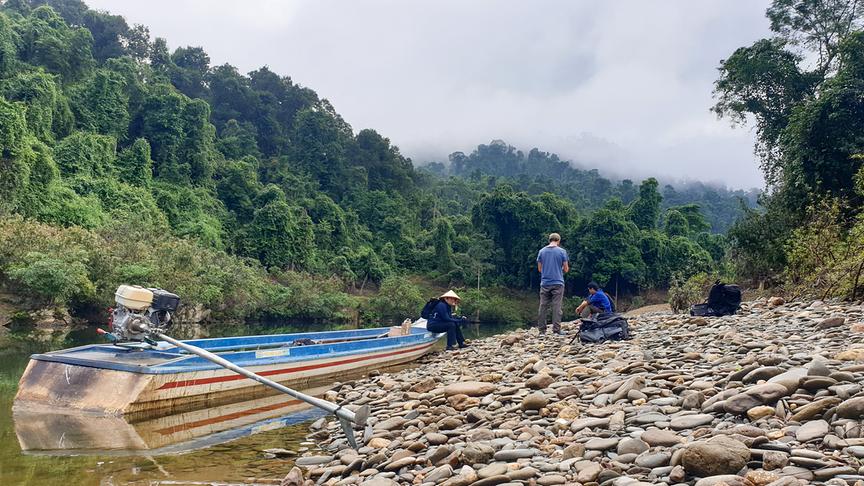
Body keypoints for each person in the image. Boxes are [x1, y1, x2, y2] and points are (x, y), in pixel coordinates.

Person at [537, 233, 569, 335]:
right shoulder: (562, 252)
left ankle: (542, 330)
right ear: (558, 241)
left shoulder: (541, 251)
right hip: (558, 282)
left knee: (543, 306)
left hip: (545, 282)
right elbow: (566, 269)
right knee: (556, 306)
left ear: (549, 240)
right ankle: (556, 330)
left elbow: (539, 269)